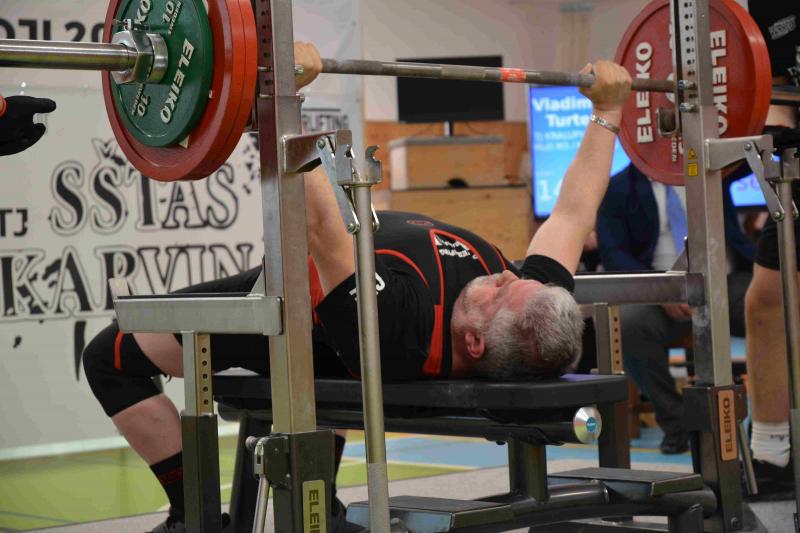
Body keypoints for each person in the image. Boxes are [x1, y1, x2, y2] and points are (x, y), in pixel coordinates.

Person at [81, 46, 632, 532]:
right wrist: (608, 110)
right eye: (519, 279)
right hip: (334, 316)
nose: (509, 275)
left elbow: (322, 226)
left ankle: (194, 518)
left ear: (475, 341)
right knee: (328, 365)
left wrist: (278, 95)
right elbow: (573, 213)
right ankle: (317, 510)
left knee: (109, 357)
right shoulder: (535, 307)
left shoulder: (401, 328)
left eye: (503, 292)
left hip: (286, 306)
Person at [596, 164, 754, 454]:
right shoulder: (617, 189)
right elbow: (613, 254)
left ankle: (773, 425)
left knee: (775, 307)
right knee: (628, 326)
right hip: (661, 288)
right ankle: (676, 423)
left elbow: (750, 157)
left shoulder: (712, 167)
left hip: (725, 281)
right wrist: (661, 291)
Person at [742, 3, 800, 500]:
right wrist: (772, 137)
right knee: (767, 301)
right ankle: (772, 451)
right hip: (799, 163)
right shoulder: (770, 5)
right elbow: (777, 88)